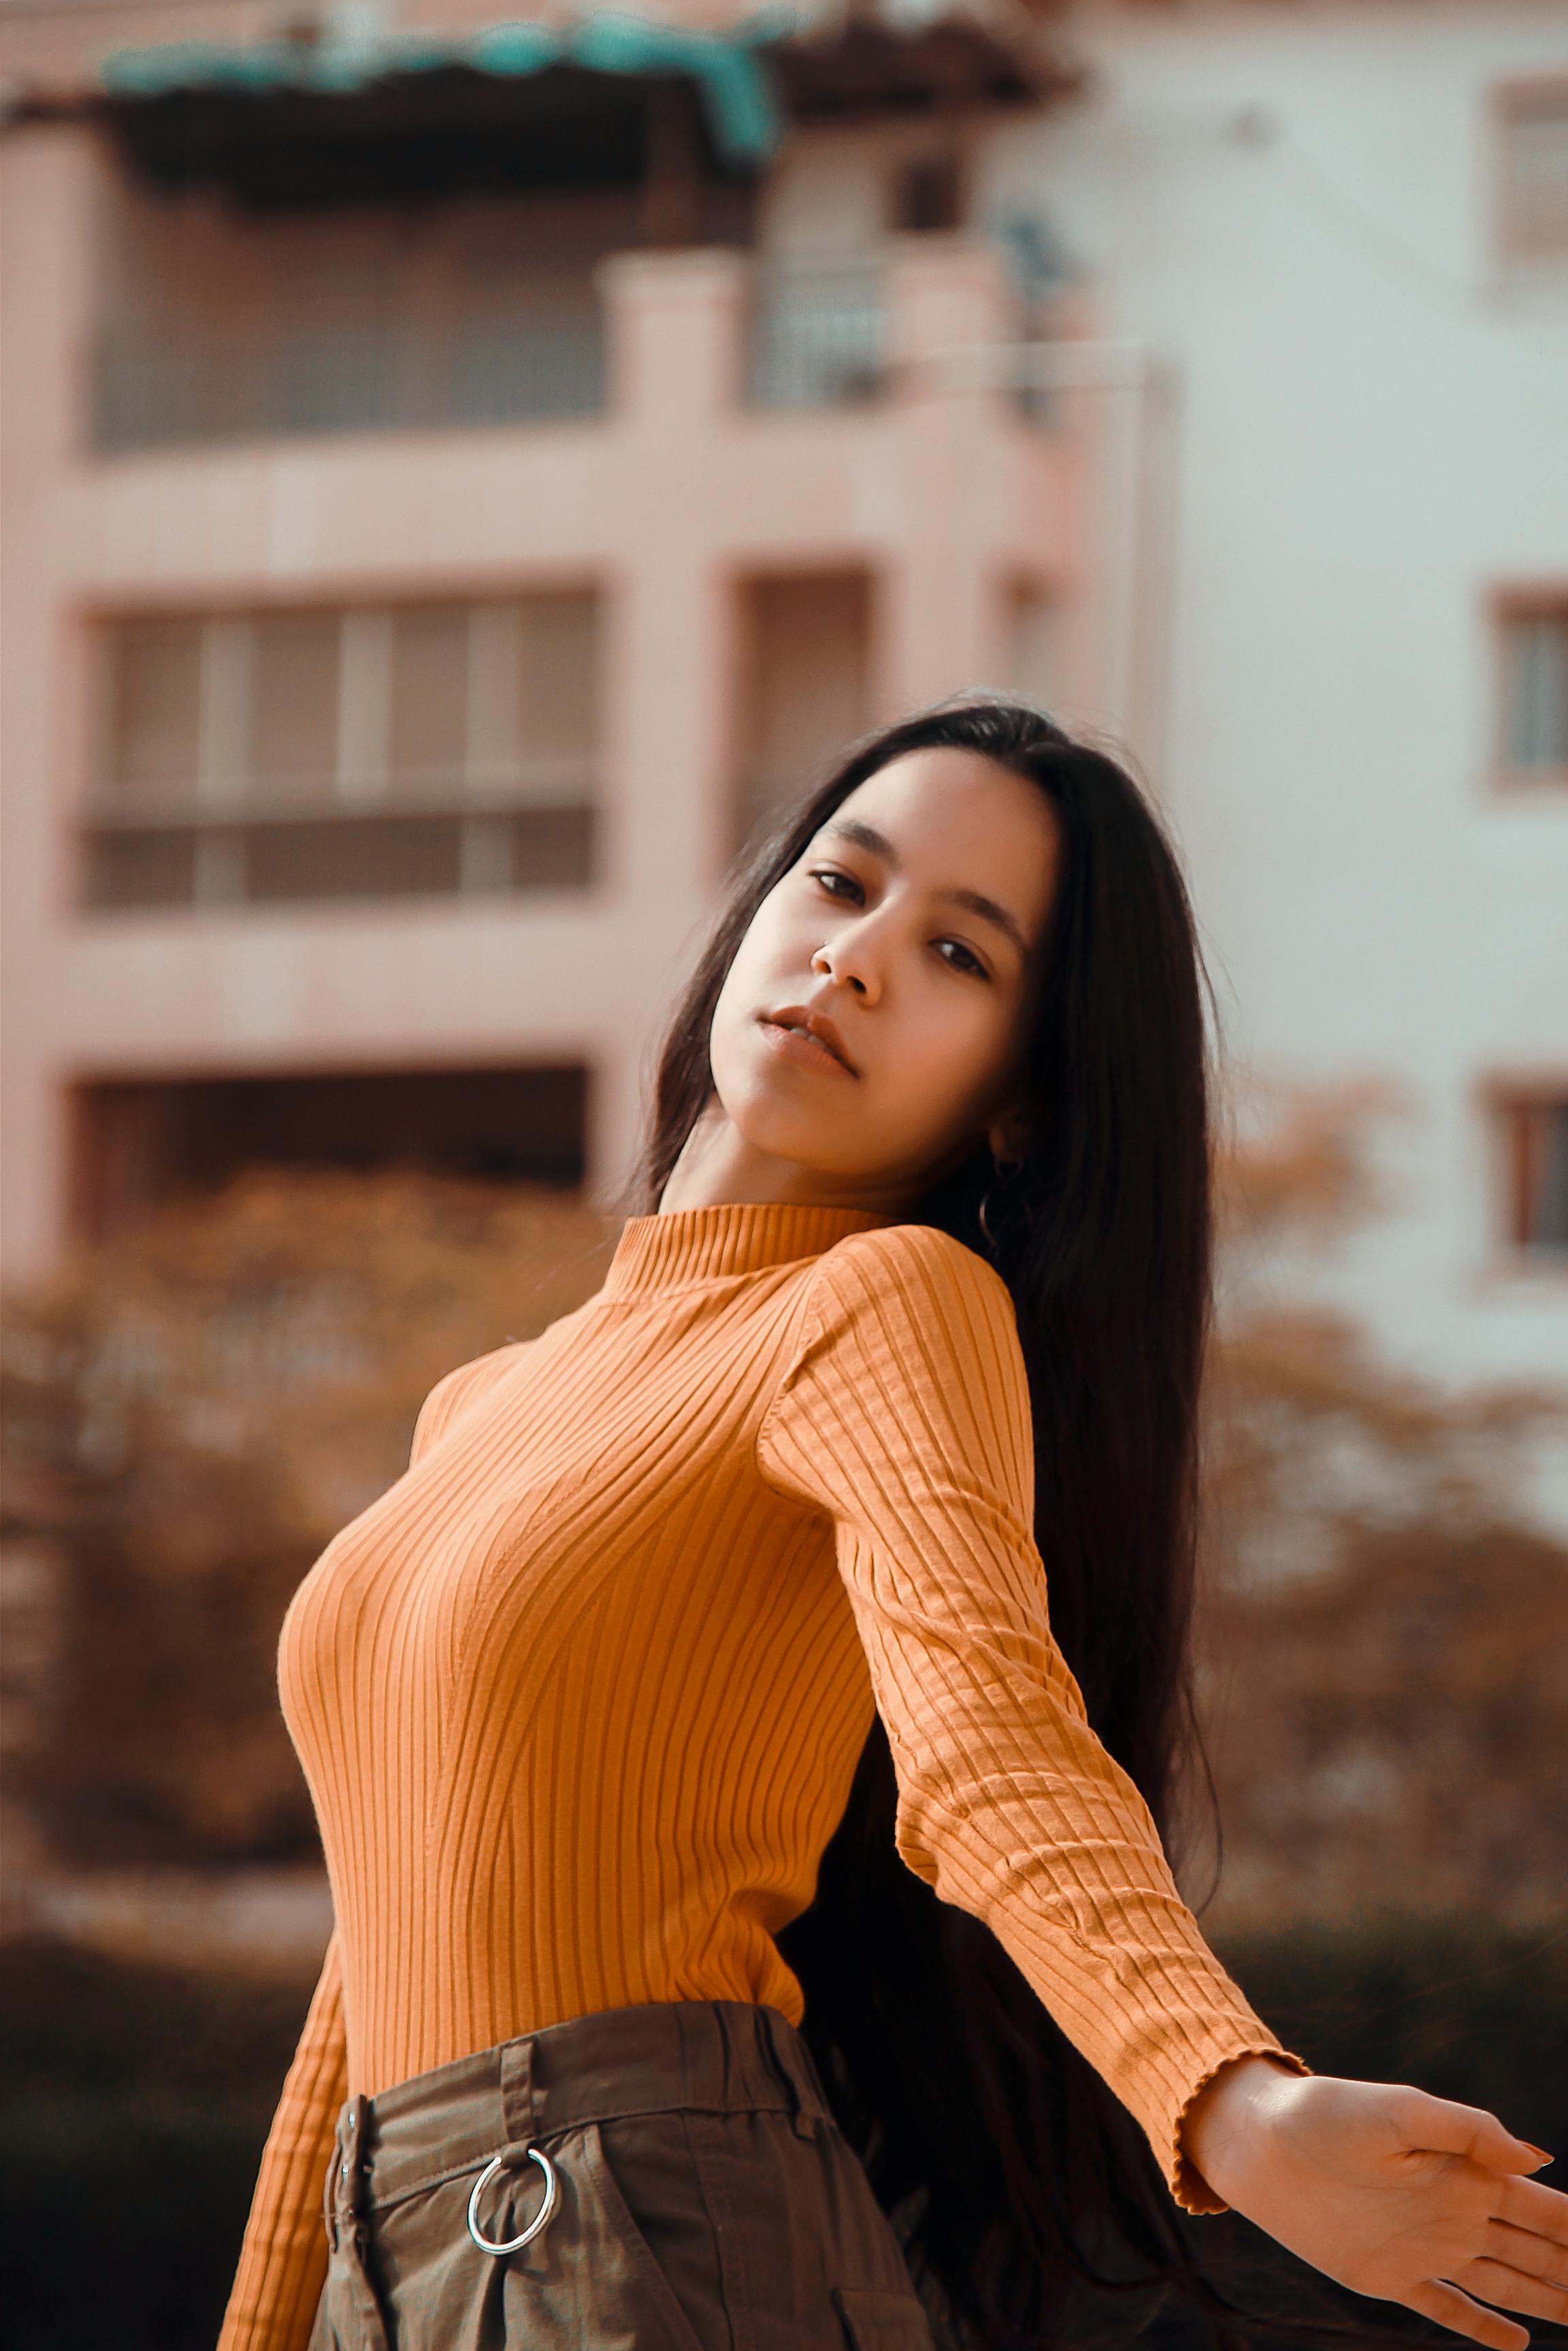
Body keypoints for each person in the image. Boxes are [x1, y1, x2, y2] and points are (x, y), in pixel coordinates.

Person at [217, 699, 1567, 2351]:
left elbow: (989, 1746)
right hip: (423, 2251)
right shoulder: (486, 1401)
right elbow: (372, 1961)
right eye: (842, 884)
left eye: (960, 957)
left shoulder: (887, 1307)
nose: (856, 959)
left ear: (1017, 1102)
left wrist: (1227, 2100)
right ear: (758, 913)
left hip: (630, 2240)